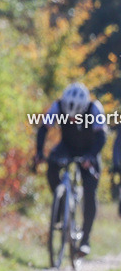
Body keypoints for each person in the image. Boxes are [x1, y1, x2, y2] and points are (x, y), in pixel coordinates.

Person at [33, 82, 107, 255]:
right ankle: (59, 206)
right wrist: (39, 153)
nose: (72, 119)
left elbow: (102, 137)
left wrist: (90, 157)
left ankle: (85, 241)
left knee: (90, 193)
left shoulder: (95, 108)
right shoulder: (58, 105)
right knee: (52, 166)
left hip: (90, 150)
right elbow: (43, 129)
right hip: (67, 147)